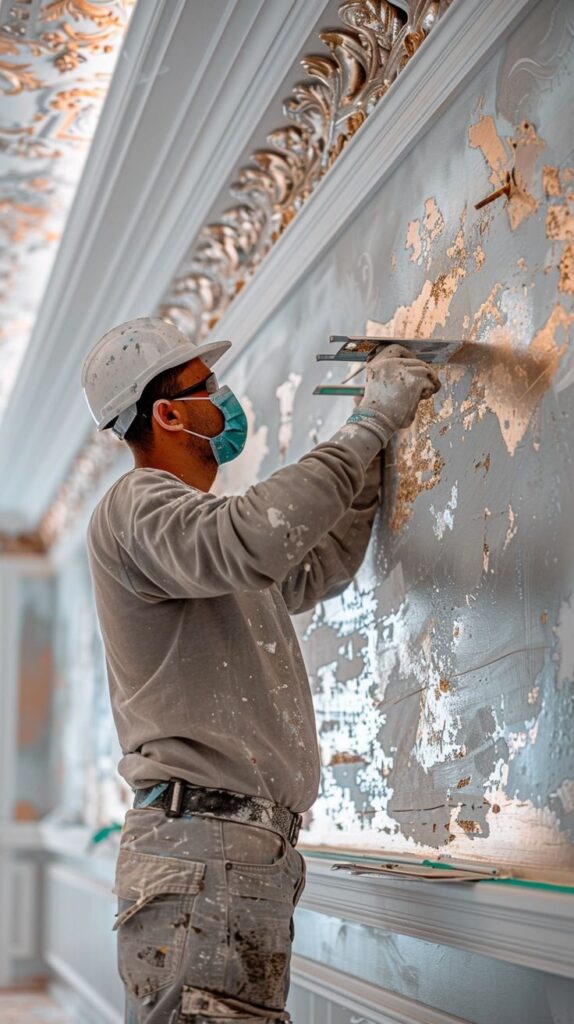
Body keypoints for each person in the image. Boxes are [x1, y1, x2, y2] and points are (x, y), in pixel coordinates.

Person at [81, 316, 440, 1024]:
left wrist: (369, 460)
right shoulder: (139, 508)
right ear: (170, 412)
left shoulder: (197, 545)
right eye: (207, 385)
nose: (225, 396)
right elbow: (256, 539)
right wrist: (369, 421)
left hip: (232, 851)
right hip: (202, 847)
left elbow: (314, 565)